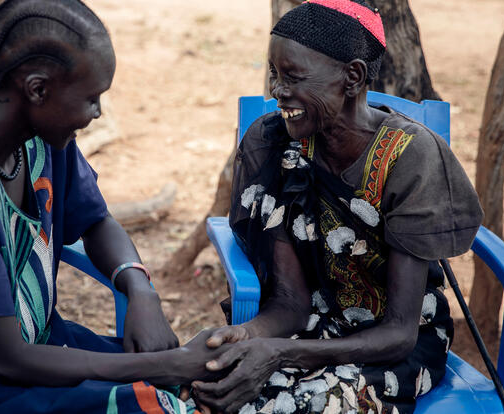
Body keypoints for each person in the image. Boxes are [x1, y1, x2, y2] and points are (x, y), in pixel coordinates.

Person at [0, 0, 224, 412]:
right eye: (91, 99)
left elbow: (96, 219)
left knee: (192, 385)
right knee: (158, 402)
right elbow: (8, 359)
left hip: (35, 346)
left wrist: (141, 291)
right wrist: (158, 364)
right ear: (37, 89)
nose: (98, 114)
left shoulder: (33, 134)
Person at [190, 1, 484, 413]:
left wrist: (278, 354)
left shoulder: (410, 157)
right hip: (308, 326)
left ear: (353, 77)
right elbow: (291, 303)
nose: (277, 91)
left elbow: (399, 333)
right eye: (275, 74)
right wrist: (246, 335)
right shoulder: (273, 142)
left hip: (394, 346)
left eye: (293, 77)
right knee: (210, 386)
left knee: (295, 404)